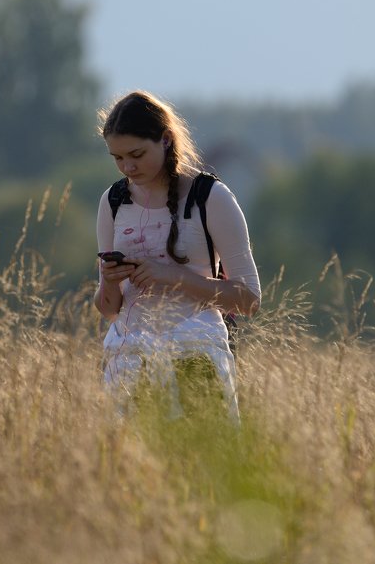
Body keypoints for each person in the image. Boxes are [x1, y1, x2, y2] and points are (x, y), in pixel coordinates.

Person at [94, 90, 261, 421]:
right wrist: (110, 282)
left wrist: (173, 277)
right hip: (130, 362)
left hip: (196, 361)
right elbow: (108, 308)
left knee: (201, 465)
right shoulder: (112, 201)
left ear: (166, 140)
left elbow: (248, 299)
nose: (127, 166)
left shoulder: (210, 198)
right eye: (117, 158)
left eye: (137, 154)